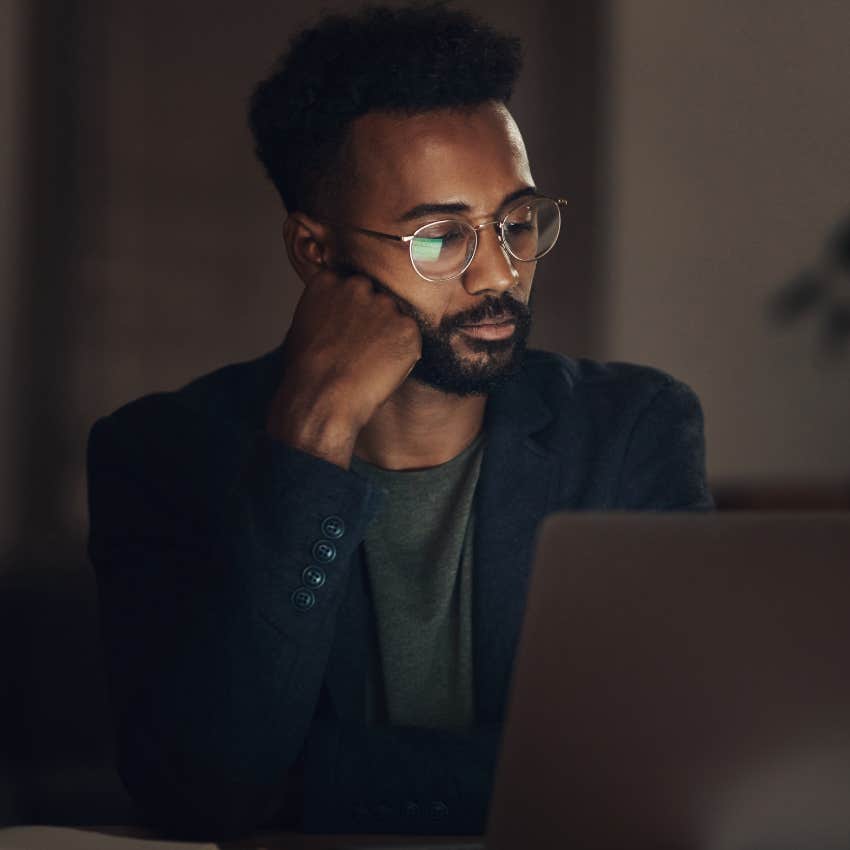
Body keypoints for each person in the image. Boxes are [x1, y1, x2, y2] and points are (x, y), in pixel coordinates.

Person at [85, 3, 713, 841]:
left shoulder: (630, 432)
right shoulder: (160, 453)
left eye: (516, 222)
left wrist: (311, 785)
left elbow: (662, 767)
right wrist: (310, 440)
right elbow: (200, 789)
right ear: (316, 252)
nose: (500, 273)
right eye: (440, 238)